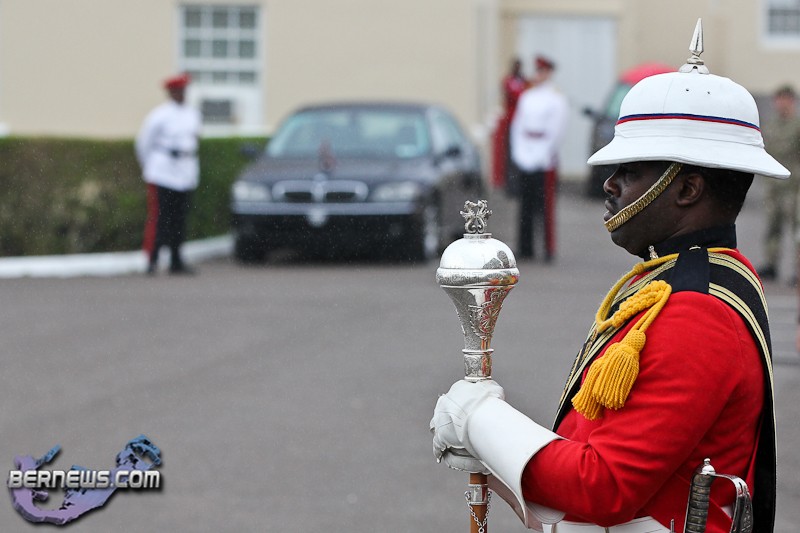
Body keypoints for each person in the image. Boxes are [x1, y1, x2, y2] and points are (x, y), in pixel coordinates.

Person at [431, 22, 784, 533]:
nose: (610, 184)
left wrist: (482, 420)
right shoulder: (688, 281)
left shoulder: (696, 311)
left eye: (631, 171)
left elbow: (603, 488)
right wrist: (492, 456)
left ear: (687, 189)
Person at [136, 73, 202, 275]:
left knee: (179, 218)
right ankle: (152, 260)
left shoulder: (192, 114)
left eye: (183, 91)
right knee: (160, 218)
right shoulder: (159, 115)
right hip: (163, 171)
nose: (181, 94)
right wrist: (150, 167)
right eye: (178, 91)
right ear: (171, 93)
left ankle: (176, 260)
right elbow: (143, 143)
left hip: (185, 171)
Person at [508, 54, 569, 262]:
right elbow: (518, 126)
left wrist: (542, 154)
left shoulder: (556, 99)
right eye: (537, 70)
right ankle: (525, 247)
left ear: (549, 73)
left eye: (542, 71)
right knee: (525, 204)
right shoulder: (527, 96)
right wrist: (520, 153)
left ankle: (548, 248)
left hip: (544, 158)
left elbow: (556, 131)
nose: (539, 75)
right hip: (526, 152)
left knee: (545, 207)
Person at [758, 85, 800, 282]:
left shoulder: (797, 125)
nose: (782, 103)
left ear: (792, 101)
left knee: (796, 228)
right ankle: (771, 263)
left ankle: (797, 269)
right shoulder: (771, 125)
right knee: (772, 226)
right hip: (773, 185)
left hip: (793, 186)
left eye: (786, 99)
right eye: (779, 99)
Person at [491, 58, 528, 189]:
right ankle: (511, 184)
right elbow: (517, 95)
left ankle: (521, 183)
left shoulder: (524, 81)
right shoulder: (509, 81)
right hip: (512, 122)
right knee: (511, 153)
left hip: (524, 123)